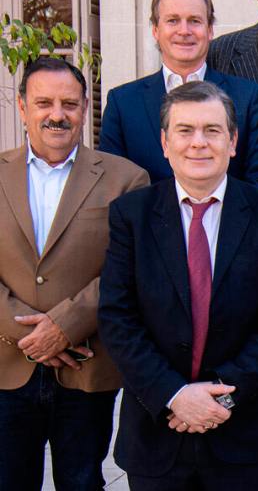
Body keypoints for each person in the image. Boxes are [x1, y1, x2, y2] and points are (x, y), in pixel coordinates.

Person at [98, 81, 258, 490]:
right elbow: (117, 318)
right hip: (157, 434)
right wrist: (174, 395)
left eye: (212, 130)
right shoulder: (131, 215)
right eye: (185, 130)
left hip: (245, 437)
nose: (199, 143)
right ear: (165, 143)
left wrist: (221, 395)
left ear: (233, 141)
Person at [0, 57, 148, 490]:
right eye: (43, 103)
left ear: (85, 108)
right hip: (6, 364)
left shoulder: (126, 179)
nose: (57, 115)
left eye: (69, 104)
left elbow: (130, 269)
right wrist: (30, 334)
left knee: (82, 482)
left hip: (87, 365)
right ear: (22, 107)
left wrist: (65, 327)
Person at [101, 0, 258, 187]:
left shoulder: (249, 98)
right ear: (155, 30)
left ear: (210, 30)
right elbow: (113, 184)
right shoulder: (122, 103)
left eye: (194, 21)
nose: (184, 31)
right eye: (173, 21)